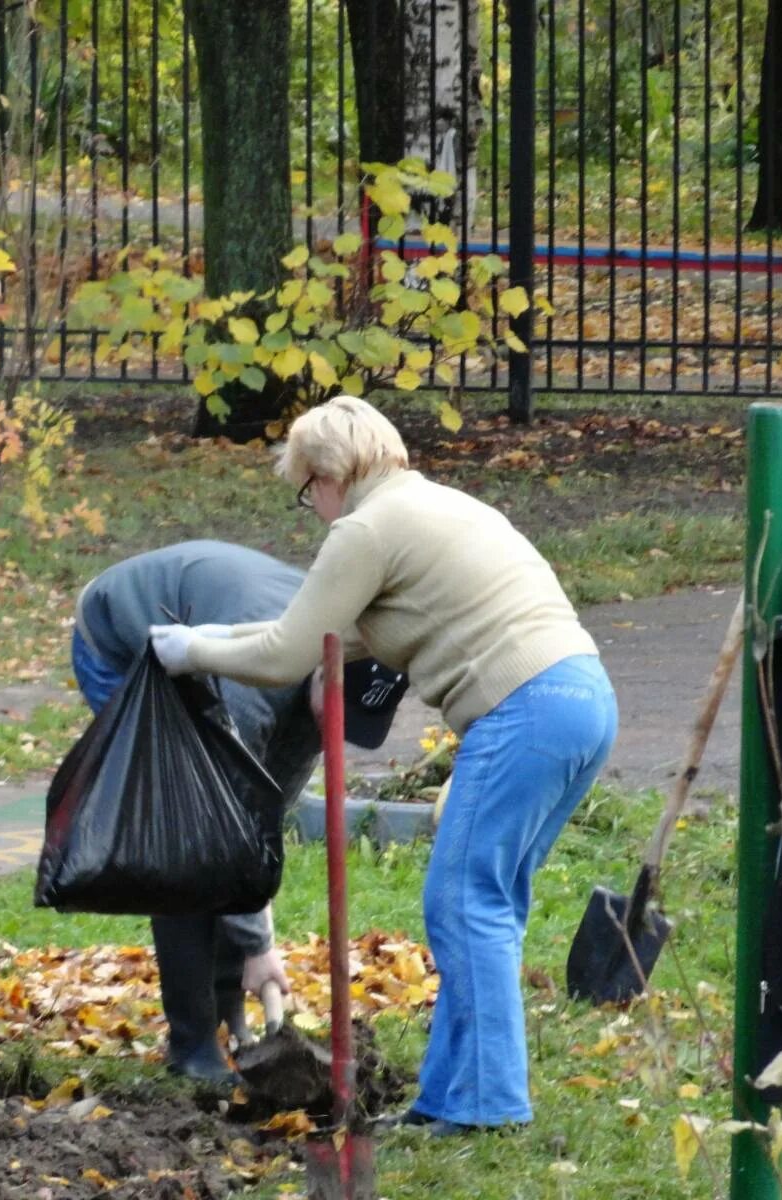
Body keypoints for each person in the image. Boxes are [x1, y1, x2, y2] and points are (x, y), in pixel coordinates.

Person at [150, 397, 617, 1133]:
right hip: (582, 698)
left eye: (306, 492)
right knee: (483, 906)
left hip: (523, 708)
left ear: (328, 473)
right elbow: (304, 629)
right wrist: (210, 634)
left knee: (464, 903)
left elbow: (283, 655)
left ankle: (488, 1106)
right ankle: (450, 1098)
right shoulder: (432, 507)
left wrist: (191, 650)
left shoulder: (366, 529)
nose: (312, 510)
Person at [74, 539, 408, 1085]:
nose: (337, 731)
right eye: (337, 712)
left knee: (226, 856)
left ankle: (230, 1020)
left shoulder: (343, 652)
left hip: (214, 629)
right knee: (185, 847)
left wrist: (257, 920)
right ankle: (192, 1047)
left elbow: (264, 811)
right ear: (324, 673)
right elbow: (223, 822)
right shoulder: (252, 688)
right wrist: (259, 945)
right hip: (121, 636)